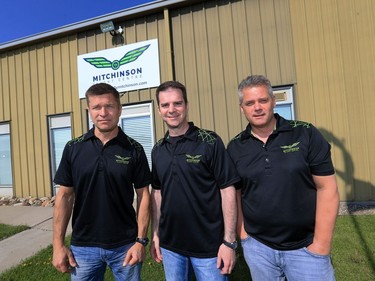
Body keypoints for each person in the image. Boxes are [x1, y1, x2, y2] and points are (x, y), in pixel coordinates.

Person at [227, 74, 340, 281]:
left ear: (273, 101)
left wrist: (320, 245)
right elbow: (236, 195)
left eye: (263, 100)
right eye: (250, 103)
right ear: (242, 108)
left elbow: (327, 188)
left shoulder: (305, 134)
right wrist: (244, 237)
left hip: (306, 249)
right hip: (259, 250)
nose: (257, 107)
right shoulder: (235, 147)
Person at [52, 83, 151, 281]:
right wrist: (58, 245)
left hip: (125, 245)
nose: (103, 113)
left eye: (109, 106)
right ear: (89, 111)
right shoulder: (73, 148)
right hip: (83, 247)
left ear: (119, 109)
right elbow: (64, 196)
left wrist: (140, 241)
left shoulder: (134, 149)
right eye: (97, 107)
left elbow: (144, 195)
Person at [150, 81, 240, 281]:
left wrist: (229, 242)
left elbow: (227, 189)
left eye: (177, 103)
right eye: (165, 105)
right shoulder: (158, 149)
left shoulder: (210, 142)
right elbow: (157, 192)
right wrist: (155, 233)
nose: (171, 110)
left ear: (187, 105)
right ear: (158, 110)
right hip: (171, 247)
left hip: (209, 248)